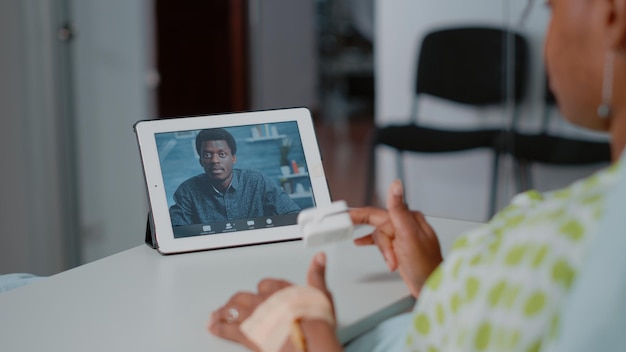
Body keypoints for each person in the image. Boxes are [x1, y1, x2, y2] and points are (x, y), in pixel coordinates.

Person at [208, 0, 626, 350]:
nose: (548, 37)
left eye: (552, 7)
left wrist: (303, 336)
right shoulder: (593, 224)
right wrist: (439, 285)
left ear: (612, 16)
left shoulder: (603, 239)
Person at [169, 128, 300, 226]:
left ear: (233, 158)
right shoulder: (187, 191)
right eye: (208, 155)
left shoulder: (257, 182)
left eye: (222, 154)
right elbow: (176, 230)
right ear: (201, 161)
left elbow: (293, 214)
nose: (215, 160)